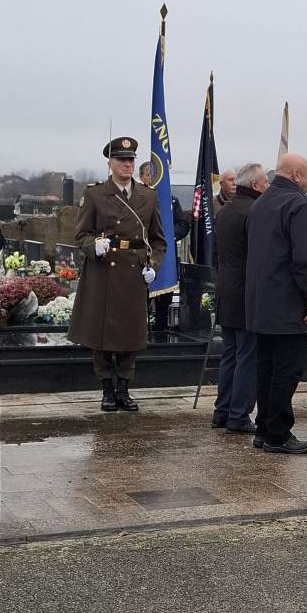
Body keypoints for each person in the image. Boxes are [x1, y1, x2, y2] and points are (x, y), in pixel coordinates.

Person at [67, 136, 166, 411]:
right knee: (100, 333)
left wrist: (153, 266)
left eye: (131, 160)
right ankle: (107, 390)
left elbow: (158, 240)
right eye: (121, 160)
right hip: (103, 270)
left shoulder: (148, 195)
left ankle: (123, 388)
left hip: (133, 272)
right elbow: (81, 235)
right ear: (110, 163)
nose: (127, 164)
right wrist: (93, 246)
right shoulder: (95, 194)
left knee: (130, 333)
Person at [246, 153, 307, 454]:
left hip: (262, 302)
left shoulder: (260, 203)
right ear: (296, 175)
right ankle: (278, 433)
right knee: (286, 370)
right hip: (290, 303)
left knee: (266, 367)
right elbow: (305, 259)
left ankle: (264, 428)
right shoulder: (300, 205)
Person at [212, 162, 270, 433]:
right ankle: (238, 415)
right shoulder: (255, 212)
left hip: (227, 290)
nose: (268, 186)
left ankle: (222, 411)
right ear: (256, 185)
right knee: (248, 356)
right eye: (266, 182)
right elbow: (261, 255)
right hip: (248, 293)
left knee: (231, 354)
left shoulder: (225, 210)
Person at [138, 161, 190, 332]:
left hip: (165, 257)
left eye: (155, 175)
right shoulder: (135, 199)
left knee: (164, 299)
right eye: (149, 175)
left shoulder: (171, 201)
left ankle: (161, 330)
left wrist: (169, 236)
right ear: (141, 177)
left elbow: (183, 224)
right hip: (142, 255)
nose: (152, 179)